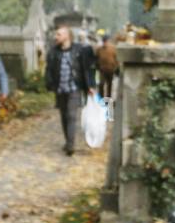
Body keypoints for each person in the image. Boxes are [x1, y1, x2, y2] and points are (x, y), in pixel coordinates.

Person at [45, 25, 96, 156]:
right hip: (60, 89)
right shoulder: (53, 52)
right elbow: (49, 70)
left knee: (71, 116)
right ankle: (68, 141)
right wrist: (49, 83)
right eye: (56, 34)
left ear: (67, 36)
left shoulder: (79, 50)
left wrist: (90, 85)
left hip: (75, 88)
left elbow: (87, 69)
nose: (56, 37)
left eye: (59, 34)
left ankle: (70, 145)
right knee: (63, 116)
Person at [96, 35, 120, 102]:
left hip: (111, 69)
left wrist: (116, 67)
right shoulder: (99, 49)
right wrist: (97, 66)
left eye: (106, 41)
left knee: (109, 84)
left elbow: (116, 58)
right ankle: (101, 99)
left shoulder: (113, 48)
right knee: (101, 84)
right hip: (102, 70)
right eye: (104, 41)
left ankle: (108, 99)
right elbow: (96, 58)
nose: (105, 43)